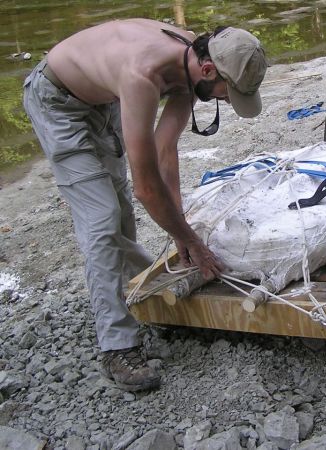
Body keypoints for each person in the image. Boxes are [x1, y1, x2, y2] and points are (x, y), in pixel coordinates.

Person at [23, 18, 267, 392]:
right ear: (207, 69)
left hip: (104, 101)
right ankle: (116, 347)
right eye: (224, 92)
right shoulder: (143, 74)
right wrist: (190, 240)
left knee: (120, 213)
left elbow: (165, 152)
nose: (223, 100)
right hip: (58, 103)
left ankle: (140, 297)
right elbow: (147, 189)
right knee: (102, 221)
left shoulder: (192, 58)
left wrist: (181, 230)